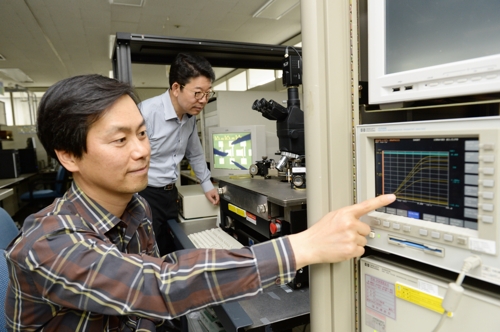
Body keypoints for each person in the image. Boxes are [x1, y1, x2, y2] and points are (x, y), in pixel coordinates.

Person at [4, 74, 396, 331]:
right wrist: (303, 246)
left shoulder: (133, 207)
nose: (143, 151)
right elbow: (156, 286)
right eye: (120, 140)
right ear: (68, 156)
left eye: (142, 133)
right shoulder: (48, 243)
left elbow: (151, 285)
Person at [138, 53, 219, 256]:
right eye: (198, 93)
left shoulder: (190, 117)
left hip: (170, 194)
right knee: (149, 253)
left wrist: (207, 185)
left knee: (172, 248)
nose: (203, 100)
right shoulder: (146, 113)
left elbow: (196, 154)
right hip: (144, 194)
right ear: (176, 88)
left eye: (207, 94)